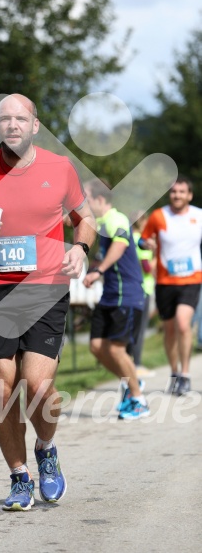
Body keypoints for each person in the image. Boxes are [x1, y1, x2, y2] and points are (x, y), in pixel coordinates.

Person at [0, 93, 96, 511]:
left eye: (20, 118)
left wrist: (80, 248)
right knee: (2, 388)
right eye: (4, 119)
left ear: (35, 126)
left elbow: (87, 218)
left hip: (45, 287)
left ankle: (46, 448)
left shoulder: (60, 168)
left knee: (38, 387)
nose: (12, 125)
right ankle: (19, 475)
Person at [83, 178, 150, 420]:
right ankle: (133, 379)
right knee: (97, 347)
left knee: (116, 349)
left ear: (100, 199)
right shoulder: (100, 224)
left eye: (87, 199)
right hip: (110, 295)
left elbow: (120, 245)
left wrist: (98, 270)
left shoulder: (117, 219)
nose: (85, 204)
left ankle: (138, 400)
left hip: (127, 294)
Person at [141, 175, 202, 395]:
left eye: (181, 191)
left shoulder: (199, 216)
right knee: (169, 330)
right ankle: (174, 372)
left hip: (191, 279)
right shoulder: (159, 216)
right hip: (165, 281)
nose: (177, 195)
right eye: (174, 192)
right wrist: (146, 243)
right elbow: (143, 238)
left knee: (183, 324)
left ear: (189, 195)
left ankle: (185, 375)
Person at [130, 212, 156, 378]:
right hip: (143, 289)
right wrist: (158, 257)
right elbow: (146, 267)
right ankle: (136, 365)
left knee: (133, 329)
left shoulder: (129, 237)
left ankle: (132, 364)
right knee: (139, 330)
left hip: (132, 288)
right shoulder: (141, 240)